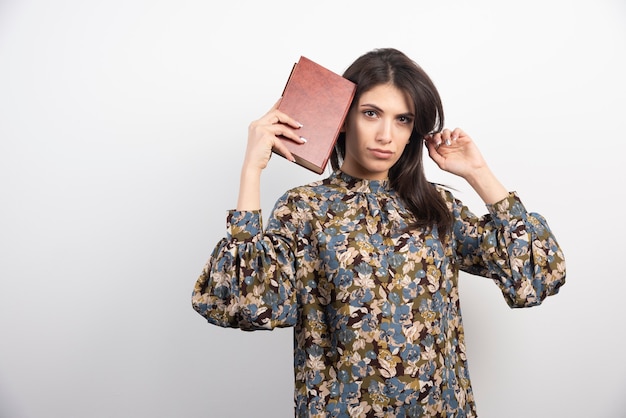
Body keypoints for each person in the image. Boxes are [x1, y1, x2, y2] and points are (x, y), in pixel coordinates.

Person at [191, 48, 566, 417]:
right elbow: (243, 304)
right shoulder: (304, 208)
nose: (386, 134)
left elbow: (533, 277)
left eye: (403, 120)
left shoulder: (434, 207)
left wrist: (478, 173)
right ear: (343, 118)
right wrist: (251, 170)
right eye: (371, 114)